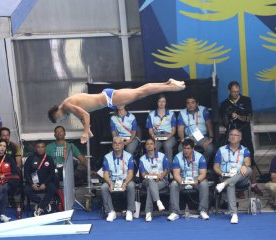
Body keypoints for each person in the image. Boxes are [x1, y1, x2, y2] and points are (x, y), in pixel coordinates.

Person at [48, 79, 185, 144]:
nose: (64, 119)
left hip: (109, 98)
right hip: (108, 100)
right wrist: (87, 129)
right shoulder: (68, 106)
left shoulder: (66, 106)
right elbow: (82, 117)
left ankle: (172, 86)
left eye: (60, 119)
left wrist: (84, 134)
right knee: (140, 93)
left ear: (56, 113)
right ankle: (168, 84)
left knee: (140, 93)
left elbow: (86, 114)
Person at [219, 81, 263, 196]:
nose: (236, 93)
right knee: (233, 160)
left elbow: (249, 118)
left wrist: (237, 116)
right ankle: (239, 187)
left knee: (250, 159)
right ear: (229, 91)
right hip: (232, 134)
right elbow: (223, 122)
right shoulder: (224, 104)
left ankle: (253, 185)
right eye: (234, 92)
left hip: (245, 132)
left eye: (238, 91)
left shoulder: (246, 100)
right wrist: (228, 117)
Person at [214, 128, 252, 224]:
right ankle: (234, 214)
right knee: (231, 184)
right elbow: (215, 167)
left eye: (236, 135)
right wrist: (222, 173)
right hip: (226, 176)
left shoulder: (245, 149)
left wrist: (244, 165)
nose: (233, 136)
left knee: (249, 169)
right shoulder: (221, 150)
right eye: (231, 134)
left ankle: (224, 184)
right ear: (228, 137)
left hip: (241, 177)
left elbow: (248, 161)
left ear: (240, 138)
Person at [167, 138, 210, 221]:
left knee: (204, 184)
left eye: (188, 148)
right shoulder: (177, 157)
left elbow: (203, 174)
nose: (186, 151)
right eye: (184, 148)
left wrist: (197, 181)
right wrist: (181, 181)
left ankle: (203, 211)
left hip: (196, 179)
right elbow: (176, 174)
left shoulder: (200, 157)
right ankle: (175, 212)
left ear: (193, 149)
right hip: (182, 179)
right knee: (174, 184)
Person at [101, 136, 136, 222]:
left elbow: (131, 173)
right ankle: (110, 212)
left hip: (125, 179)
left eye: (119, 143)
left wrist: (125, 183)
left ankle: (129, 211)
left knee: (131, 185)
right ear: (112, 145)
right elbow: (105, 174)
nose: (117, 145)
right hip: (112, 179)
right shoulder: (107, 157)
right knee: (104, 187)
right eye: (115, 143)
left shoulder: (129, 156)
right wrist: (110, 183)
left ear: (123, 145)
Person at [0, 140, 20, 223]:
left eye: (4, 146)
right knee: (3, 188)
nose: (2, 148)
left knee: (5, 184)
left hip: (11, 181)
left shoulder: (9, 158)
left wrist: (4, 176)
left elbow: (15, 171)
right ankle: (2, 214)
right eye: (0, 145)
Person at [24, 140, 57, 217]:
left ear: (45, 148)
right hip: (33, 182)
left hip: (45, 182)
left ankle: (40, 207)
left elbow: (51, 174)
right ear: (35, 148)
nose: (40, 149)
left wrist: (45, 184)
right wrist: (32, 184)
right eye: (38, 147)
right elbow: (26, 173)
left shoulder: (49, 159)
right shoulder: (30, 158)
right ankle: (43, 203)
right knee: (25, 190)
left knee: (53, 187)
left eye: (42, 147)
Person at [139, 138, 169, 222]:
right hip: (147, 180)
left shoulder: (162, 155)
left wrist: (161, 176)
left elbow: (166, 170)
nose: (149, 145)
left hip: (161, 180)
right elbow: (143, 175)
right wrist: (152, 176)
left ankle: (148, 212)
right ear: (145, 146)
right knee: (151, 181)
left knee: (150, 189)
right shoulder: (142, 159)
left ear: (154, 146)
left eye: (151, 144)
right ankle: (158, 201)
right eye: (147, 144)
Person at [177, 96, 214, 162]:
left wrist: (211, 138)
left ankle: (202, 164)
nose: (190, 105)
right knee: (180, 148)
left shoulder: (203, 110)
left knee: (209, 148)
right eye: (188, 103)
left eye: (192, 102)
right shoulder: (182, 113)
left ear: (197, 104)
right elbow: (180, 129)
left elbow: (209, 124)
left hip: (202, 137)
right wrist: (183, 140)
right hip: (189, 137)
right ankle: (189, 166)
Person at [146, 94, 177, 163]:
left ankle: (169, 169)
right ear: (157, 102)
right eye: (160, 101)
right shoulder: (151, 114)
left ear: (166, 103)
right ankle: (154, 166)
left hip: (169, 135)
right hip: (156, 135)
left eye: (163, 101)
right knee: (153, 146)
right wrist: (153, 136)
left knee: (167, 145)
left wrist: (168, 137)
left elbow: (174, 130)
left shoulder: (171, 114)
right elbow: (150, 130)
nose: (161, 103)